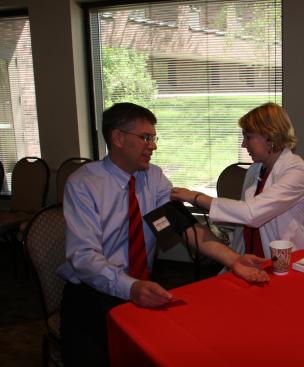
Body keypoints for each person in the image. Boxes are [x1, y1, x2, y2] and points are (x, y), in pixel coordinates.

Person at [57, 102, 269, 366]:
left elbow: (184, 227)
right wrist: (130, 287)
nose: (153, 146)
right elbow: (84, 257)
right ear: (118, 138)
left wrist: (233, 259)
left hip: (140, 286)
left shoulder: (152, 178)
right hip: (92, 294)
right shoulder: (84, 184)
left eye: (154, 138)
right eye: (145, 137)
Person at [171, 102, 304, 258]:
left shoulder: (297, 171)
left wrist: (197, 197)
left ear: (269, 136)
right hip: (253, 258)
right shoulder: (256, 169)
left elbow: (251, 214)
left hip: (289, 262)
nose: (243, 144)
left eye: (248, 137)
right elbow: (243, 218)